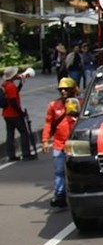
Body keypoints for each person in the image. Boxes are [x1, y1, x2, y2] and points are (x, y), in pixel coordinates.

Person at [41, 78, 79, 208]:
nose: (63, 91)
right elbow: (48, 123)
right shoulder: (53, 105)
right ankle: (60, 195)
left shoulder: (80, 102)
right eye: (61, 89)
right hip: (58, 144)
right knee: (59, 171)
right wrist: (45, 140)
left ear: (73, 89)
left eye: (66, 89)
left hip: (76, 144)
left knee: (79, 170)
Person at [3, 67, 35, 161]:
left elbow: (14, 93)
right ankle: (26, 154)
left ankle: (11, 155)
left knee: (10, 135)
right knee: (24, 132)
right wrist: (20, 113)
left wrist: (21, 84)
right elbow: (13, 101)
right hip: (14, 115)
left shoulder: (5, 84)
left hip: (6, 114)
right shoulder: (11, 86)